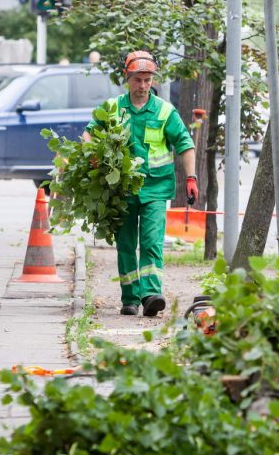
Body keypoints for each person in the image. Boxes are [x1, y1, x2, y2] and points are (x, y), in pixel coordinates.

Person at [84, 50, 197, 317]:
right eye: (138, 80)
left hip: (156, 188)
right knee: (125, 243)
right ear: (128, 78)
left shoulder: (165, 111)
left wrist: (191, 178)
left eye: (147, 80)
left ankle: (151, 295)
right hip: (122, 188)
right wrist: (91, 159)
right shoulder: (114, 108)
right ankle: (130, 298)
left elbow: (185, 144)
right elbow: (90, 133)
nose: (143, 86)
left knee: (151, 242)